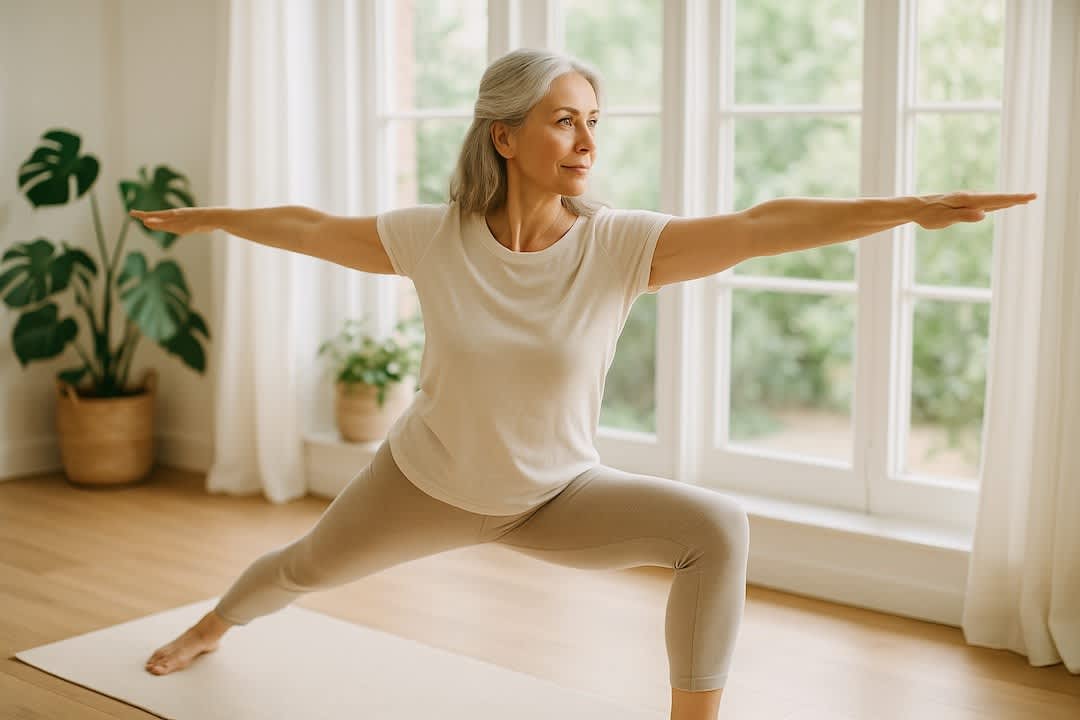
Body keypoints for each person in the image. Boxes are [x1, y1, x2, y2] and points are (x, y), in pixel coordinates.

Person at [131, 47, 1036, 720]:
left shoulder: (620, 246)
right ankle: (214, 622)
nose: (586, 139)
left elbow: (765, 224)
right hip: (423, 483)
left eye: (595, 121)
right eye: (566, 119)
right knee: (300, 568)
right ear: (506, 135)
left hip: (553, 494)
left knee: (715, 527)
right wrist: (211, 219)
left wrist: (909, 209)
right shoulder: (432, 237)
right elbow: (310, 225)